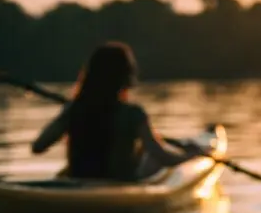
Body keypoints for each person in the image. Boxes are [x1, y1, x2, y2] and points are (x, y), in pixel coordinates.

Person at [32, 42, 204, 181]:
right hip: (118, 184)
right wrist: (192, 156)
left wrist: (68, 113)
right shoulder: (134, 114)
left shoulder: (74, 109)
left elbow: (38, 146)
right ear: (126, 77)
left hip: (77, 180)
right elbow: (163, 158)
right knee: (151, 157)